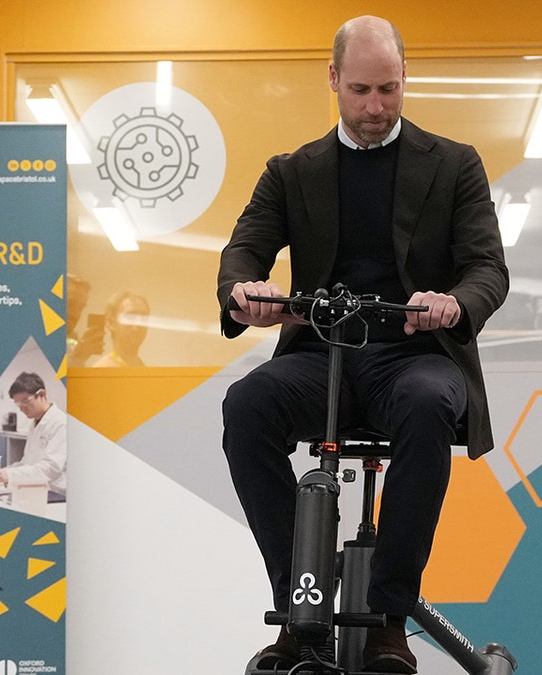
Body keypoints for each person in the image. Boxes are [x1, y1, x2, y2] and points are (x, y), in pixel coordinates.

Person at [218, 15, 508, 674]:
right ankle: (301, 604)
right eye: (360, 91)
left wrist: (455, 302)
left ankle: (387, 619)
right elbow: (245, 248)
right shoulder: (291, 172)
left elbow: (488, 268)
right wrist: (244, 291)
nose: (375, 107)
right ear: (333, 81)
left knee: (430, 402)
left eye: (389, 90)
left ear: (405, 82)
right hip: (322, 356)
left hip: (417, 357)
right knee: (247, 405)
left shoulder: (456, 165)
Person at [0, 372, 67, 497]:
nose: (22, 408)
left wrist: (9, 475)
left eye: (25, 402)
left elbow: (51, 468)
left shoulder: (61, 423)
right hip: (37, 490)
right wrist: (2, 472)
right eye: (18, 404)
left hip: (57, 493)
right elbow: (27, 463)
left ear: (42, 394)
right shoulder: (35, 423)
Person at [92, 291, 150, 368]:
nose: (139, 323)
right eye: (131, 316)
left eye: (143, 317)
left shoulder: (144, 370)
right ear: (111, 322)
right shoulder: (100, 371)